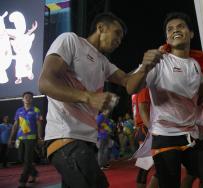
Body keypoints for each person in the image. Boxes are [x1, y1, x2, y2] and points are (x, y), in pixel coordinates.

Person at [38, 12, 162, 188]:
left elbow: (128, 84)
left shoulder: (103, 62)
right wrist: (88, 97)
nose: (119, 40)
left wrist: (145, 67)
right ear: (101, 28)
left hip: (87, 141)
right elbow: (44, 83)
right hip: (65, 137)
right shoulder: (71, 40)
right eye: (117, 33)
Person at [146, 12, 203, 188]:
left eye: (180, 26)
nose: (175, 30)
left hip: (192, 135)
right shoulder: (159, 61)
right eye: (170, 29)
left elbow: (201, 96)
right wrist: (144, 67)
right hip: (165, 136)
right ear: (167, 38)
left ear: (191, 33)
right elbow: (131, 87)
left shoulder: (195, 65)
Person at [8, 91, 43, 188]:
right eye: (26, 97)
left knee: (27, 160)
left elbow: (39, 124)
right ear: (22, 99)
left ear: (32, 99)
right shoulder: (19, 110)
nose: (28, 98)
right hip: (20, 138)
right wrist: (11, 138)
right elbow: (15, 125)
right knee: (21, 158)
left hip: (31, 138)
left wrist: (40, 137)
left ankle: (22, 181)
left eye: (30, 97)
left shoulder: (36, 110)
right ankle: (34, 172)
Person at [132, 87, 158, 188]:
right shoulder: (144, 89)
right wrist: (152, 130)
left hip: (144, 129)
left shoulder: (141, 91)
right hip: (146, 129)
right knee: (145, 166)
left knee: (151, 165)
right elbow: (143, 111)